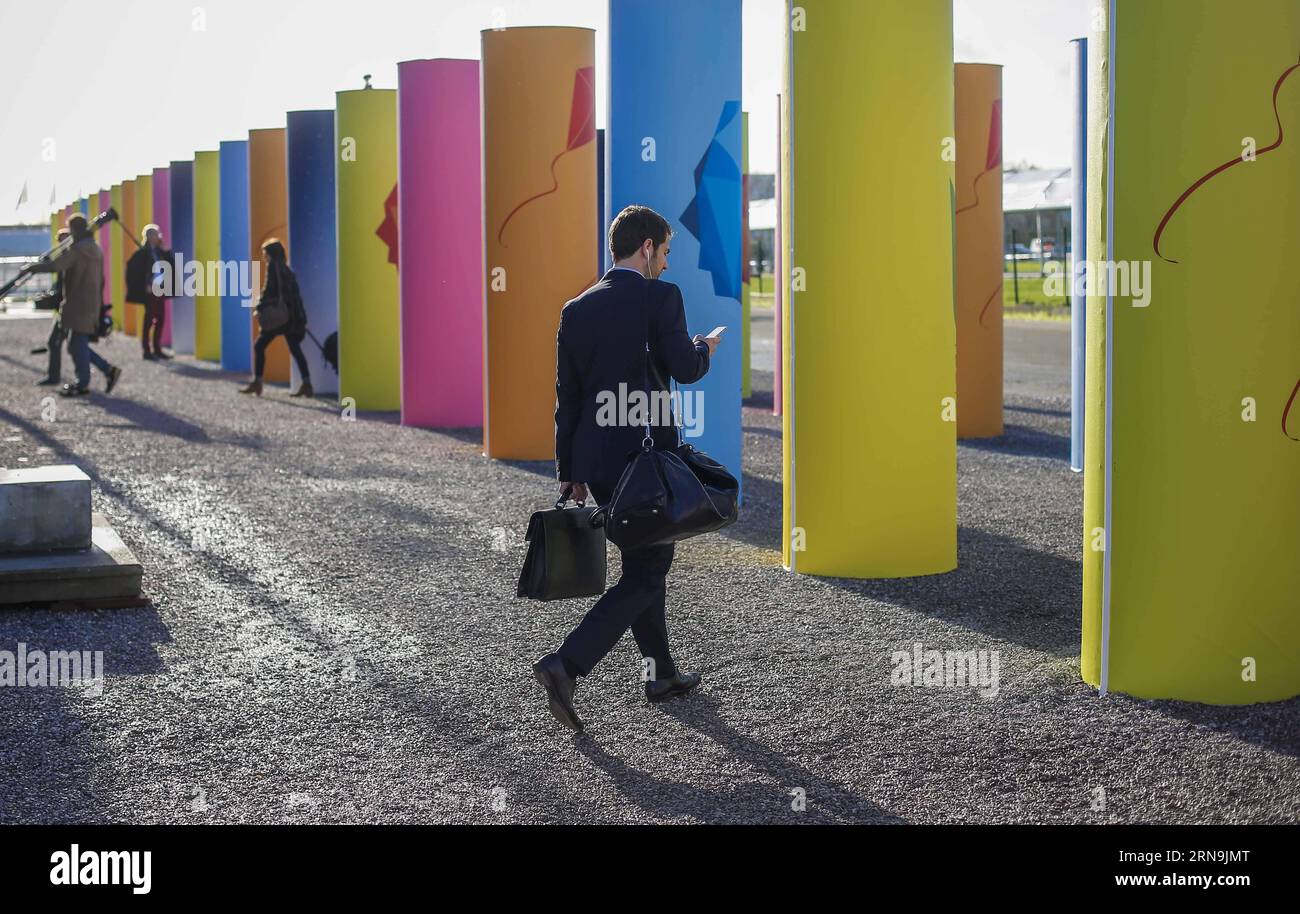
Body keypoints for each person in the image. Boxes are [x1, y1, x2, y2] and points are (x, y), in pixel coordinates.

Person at [533, 205, 722, 733]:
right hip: (646, 458)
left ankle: (660, 673)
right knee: (648, 569)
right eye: (664, 252)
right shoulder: (662, 297)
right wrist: (704, 348)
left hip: (598, 465)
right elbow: (683, 368)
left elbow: (566, 397)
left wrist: (568, 469)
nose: (665, 264)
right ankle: (566, 664)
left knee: (644, 560)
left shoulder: (577, 308)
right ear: (645, 248)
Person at [27, 215, 122, 397]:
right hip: (89, 303)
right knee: (75, 345)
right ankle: (107, 370)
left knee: (76, 344)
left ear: (74, 230)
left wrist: (32, 267)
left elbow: (57, 266)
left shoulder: (78, 250)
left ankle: (83, 383)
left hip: (77, 305)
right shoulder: (95, 249)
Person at [239, 239, 311, 397]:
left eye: (266, 254)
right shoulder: (287, 269)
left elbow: (269, 290)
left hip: (279, 317)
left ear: (271, 254)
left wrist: (259, 305)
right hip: (290, 317)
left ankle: (257, 382)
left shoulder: (273, 268)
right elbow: (295, 295)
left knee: (259, 346)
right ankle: (307, 382)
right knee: (295, 350)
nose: (265, 257)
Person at [124, 224, 173, 359]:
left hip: (161, 288)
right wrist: (145, 284)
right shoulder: (142, 253)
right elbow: (133, 269)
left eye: (155, 234)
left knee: (161, 319)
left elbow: (170, 265)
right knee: (149, 319)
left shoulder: (160, 252)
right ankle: (147, 350)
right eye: (150, 234)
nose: (152, 237)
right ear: (146, 237)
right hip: (150, 290)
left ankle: (157, 348)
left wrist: (166, 251)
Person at [35, 228, 71, 386]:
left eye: (66, 239)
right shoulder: (66, 256)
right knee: (71, 343)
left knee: (69, 344)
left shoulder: (71, 257)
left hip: (70, 307)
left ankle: (54, 377)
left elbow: (57, 267)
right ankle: (53, 376)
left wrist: (39, 266)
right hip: (65, 306)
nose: (62, 243)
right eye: (61, 239)